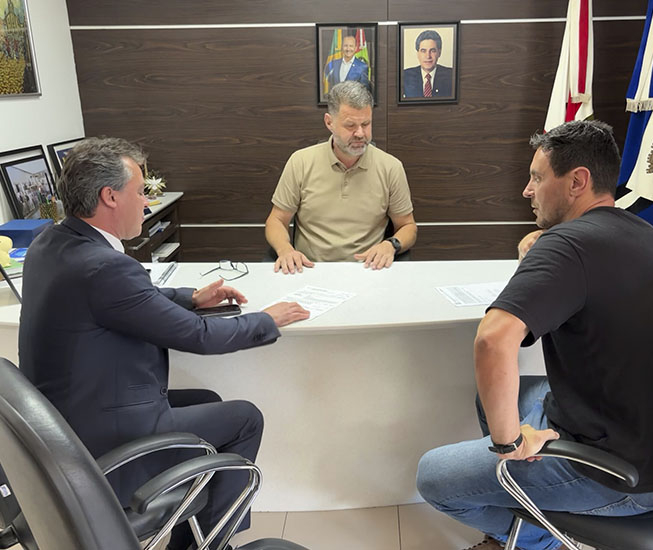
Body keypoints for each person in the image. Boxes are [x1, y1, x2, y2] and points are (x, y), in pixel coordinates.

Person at [18, 137, 310, 550]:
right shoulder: (105, 267)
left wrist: (191, 297)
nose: (147, 202)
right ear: (110, 196)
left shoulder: (51, 244)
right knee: (245, 419)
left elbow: (129, 300)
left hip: (69, 423)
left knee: (207, 399)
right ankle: (205, 545)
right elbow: (198, 336)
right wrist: (268, 320)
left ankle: (192, 534)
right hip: (104, 446)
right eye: (140, 192)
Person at [416, 120, 653, 550]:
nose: (527, 190)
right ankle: (527, 500)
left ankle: (535, 540)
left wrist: (510, 443)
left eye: (537, 178)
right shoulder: (640, 231)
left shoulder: (568, 245)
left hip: (616, 477)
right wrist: (545, 244)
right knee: (492, 398)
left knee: (433, 476)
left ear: (577, 181)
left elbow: (493, 340)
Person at [265, 80, 417, 274]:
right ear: (329, 122)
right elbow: (276, 220)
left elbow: (408, 226)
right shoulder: (301, 162)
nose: (360, 133)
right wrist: (285, 250)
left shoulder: (390, 167)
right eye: (350, 125)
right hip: (309, 270)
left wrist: (391, 245)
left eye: (366, 124)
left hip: (369, 270)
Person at [402, 30, 453, 99]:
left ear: (439, 53)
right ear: (418, 53)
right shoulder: (405, 76)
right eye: (423, 51)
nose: (428, 56)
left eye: (432, 51)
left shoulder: (451, 76)